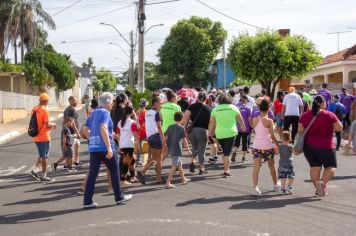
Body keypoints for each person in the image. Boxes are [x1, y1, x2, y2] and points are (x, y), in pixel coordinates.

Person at [81, 92, 132, 208]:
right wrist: (109, 146)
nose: (113, 103)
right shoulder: (105, 112)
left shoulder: (93, 113)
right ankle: (119, 197)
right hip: (105, 148)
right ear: (107, 102)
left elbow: (84, 129)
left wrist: (93, 138)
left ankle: (87, 201)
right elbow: (103, 127)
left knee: (93, 174)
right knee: (114, 171)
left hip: (94, 147)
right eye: (112, 101)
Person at [298, 95, 343, 197]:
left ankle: (318, 189)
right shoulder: (329, 115)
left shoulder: (304, 116)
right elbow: (339, 128)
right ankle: (322, 184)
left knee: (315, 168)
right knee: (331, 166)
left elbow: (300, 130)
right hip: (326, 146)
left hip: (309, 147)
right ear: (322, 103)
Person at [208, 94, 246, 178]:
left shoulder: (215, 109)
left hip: (220, 133)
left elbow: (211, 123)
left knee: (225, 152)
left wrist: (210, 133)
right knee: (227, 153)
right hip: (231, 133)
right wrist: (243, 126)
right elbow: (240, 119)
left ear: (220, 100)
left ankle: (226, 168)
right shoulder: (233, 107)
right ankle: (226, 171)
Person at [251, 99, 280, 196]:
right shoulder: (269, 121)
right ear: (268, 109)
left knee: (256, 168)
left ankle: (255, 188)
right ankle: (276, 185)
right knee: (271, 167)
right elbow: (272, 135)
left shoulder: (254, 119)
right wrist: (278, 145)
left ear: (259, 108)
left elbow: (255, 130)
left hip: (256, 146)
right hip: (267, 146)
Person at [29, 93, 57, 182]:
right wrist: (53, 124)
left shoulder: (34, 109)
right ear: (47, 101)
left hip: (36, 136)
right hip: (44, 137)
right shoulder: (44, 110)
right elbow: (47, 124)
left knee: (41, 155)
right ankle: (44, 175)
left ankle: (35, 171)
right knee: (44, 156)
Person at [137, 96, 165, 185]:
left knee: (154, 158)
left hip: (150, 136)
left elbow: (144, 124)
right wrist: (163, 138)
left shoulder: (148, 112)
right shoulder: (157, 113)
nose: (162, 104)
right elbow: (159, 126)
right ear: (156, 103)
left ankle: (143, 172)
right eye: (160, 102)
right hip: (156, 136)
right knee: (159, 158)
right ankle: (158, 178)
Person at [183, 92, 211, 175]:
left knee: (194, 148)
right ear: (205, 99)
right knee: (201, 150)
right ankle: (201, 168)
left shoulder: (191, 107)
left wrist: (184, 130)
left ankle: (192, 161)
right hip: (203, 131)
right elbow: (211, 122)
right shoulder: (208, 109)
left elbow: (186, 117)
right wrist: (211, 133)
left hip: (192, 131)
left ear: (197, 98)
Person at [165, 112, 192, 189]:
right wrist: (188, 150)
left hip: (171, 149)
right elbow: (185, 140)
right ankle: (168, 183)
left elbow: (166, 138)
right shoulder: (181, 128)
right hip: (177, 149)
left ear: (174, 118)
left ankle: (183, 179)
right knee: (174, 166)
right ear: (182, 119)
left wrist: (165, 148)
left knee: (179, 164)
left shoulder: (170, 127)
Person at [117, 106, 140, 185]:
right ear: (131, 112)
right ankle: (122, 180)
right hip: (129, 145)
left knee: (132, 160)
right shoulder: (132, 122)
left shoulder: (120, 122)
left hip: (123, 144)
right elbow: (135, 134)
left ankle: (133, 177)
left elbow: (118, 135)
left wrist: (120, 146)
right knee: (126, 163)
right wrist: (138, 144)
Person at [232, 95, 251, 163]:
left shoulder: (234, 107)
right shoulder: (247, 108)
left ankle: (234, 152)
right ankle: (243, 157)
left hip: (236, 127)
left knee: (236, 142)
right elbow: (249, 119)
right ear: (245, 101)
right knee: (244, 143)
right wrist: (251, 126)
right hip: (245, 127)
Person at [63, 96, 82, 167]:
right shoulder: (72, 110)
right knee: (71, 148)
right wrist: (77, 133)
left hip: (69, 131)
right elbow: (72, 123)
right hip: (72, 132)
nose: (76, 101)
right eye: (75, 100)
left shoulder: (67, 109)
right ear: (70, 101)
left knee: (77, 145)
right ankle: (68, 163)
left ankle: (76, 161)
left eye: (76, 100)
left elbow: (64, 120)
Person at [136, 98, 148, 166]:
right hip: (145, 130)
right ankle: (150, 158)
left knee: (138, 145)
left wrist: (139, 126)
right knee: (150, 144)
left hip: (138, 130)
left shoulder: (137, 111)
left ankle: (138, 160)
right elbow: (146, 121)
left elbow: (136, 120)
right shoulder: (146, 112)